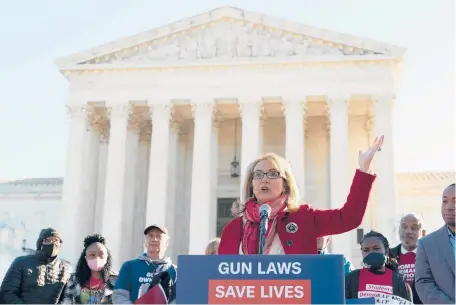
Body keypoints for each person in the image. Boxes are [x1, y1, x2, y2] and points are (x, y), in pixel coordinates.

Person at [218, 136, 383, 255]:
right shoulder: (232, 230)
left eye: (273, 173)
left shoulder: (304, 218)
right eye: (258, 175)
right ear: (251, 184)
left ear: (285, 183)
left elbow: (348, 218)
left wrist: (363, 170)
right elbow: (221, 277)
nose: (265, 179)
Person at [0, 228, 72, 304]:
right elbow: (7, 293)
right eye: (48, 240)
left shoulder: (66, 268)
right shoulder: (21, 262)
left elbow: (69, 298)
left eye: (56, 241)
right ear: (40, 243)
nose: (53, 244)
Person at [112, 224, 177, 304]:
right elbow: (119, 296)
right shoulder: (129, 266)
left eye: (159, 236)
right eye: (150, 236)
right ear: (145, 242)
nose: (154, 239)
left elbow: (178, 299)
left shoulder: (175, 271)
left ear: (166, 243)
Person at [345, 231, 412, 303]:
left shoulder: (399, 282)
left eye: (376, 248)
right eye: (366, 250)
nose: (371, 253)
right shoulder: (351, 279)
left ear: (386, 251)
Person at [415, 183, 455, 304]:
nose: (448, 207)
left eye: (455, 201)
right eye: (444, 201)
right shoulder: (427, 244)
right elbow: (423, 283)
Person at [62, 234, 117, 304]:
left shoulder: (117, 280)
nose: (97, 258)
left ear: (106, 257)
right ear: (85, 258)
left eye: (101, 254)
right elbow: (67, 301)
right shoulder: (73, 279)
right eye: (92, 255)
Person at [389, 213, 425, 304]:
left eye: (414, 228)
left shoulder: (431, 256)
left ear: (423, 233)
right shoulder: (388, 256)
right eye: (404, 227)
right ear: (399, 231)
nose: (408, 231)